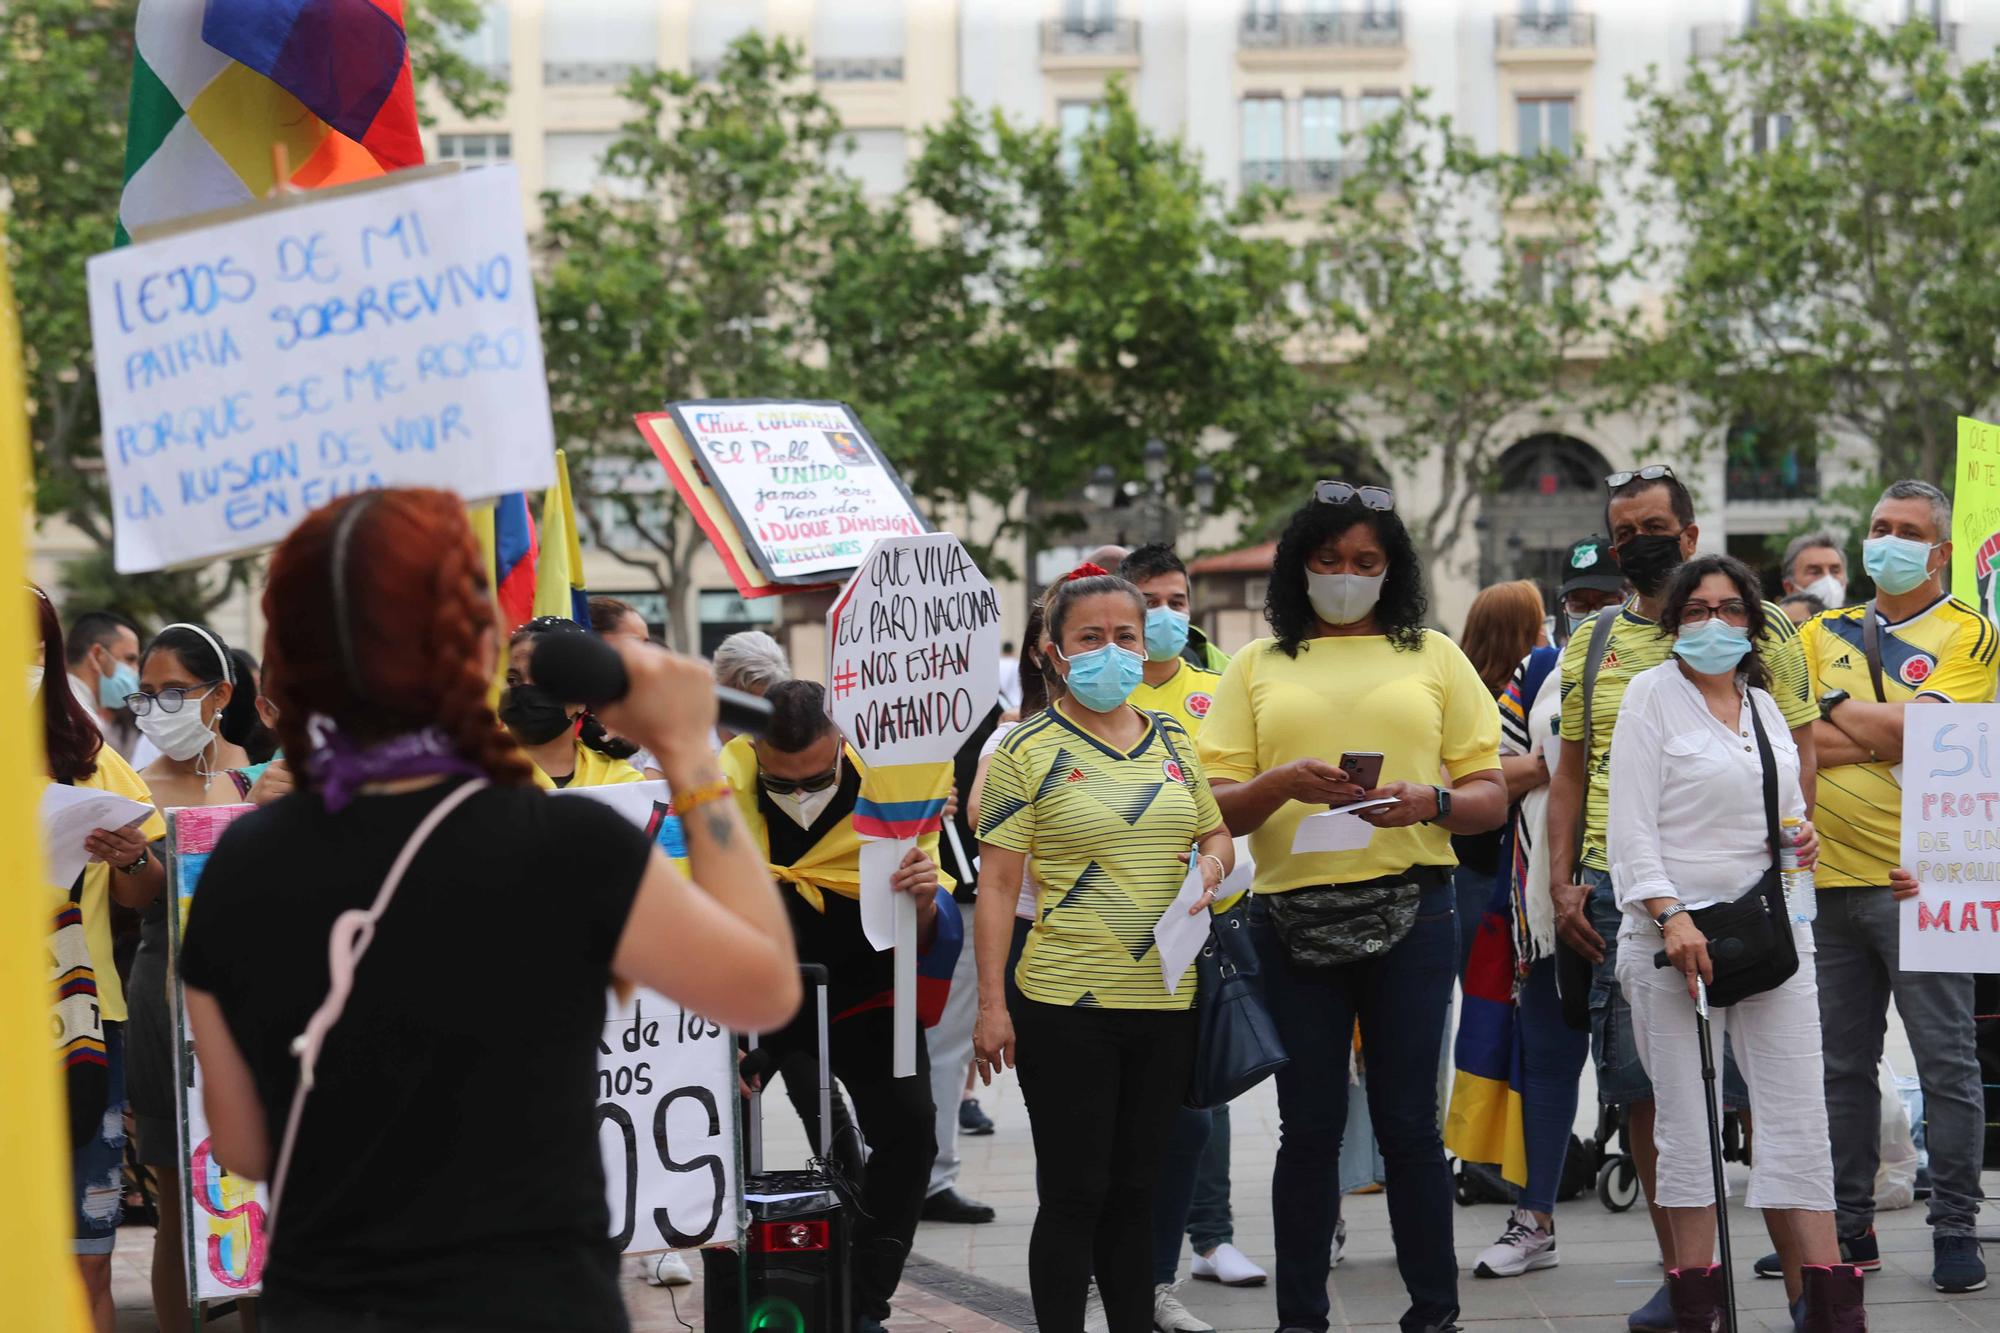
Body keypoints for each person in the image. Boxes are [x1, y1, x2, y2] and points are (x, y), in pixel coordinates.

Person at [178, 488, 800, 1333]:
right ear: (476, 650)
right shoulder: (567, 845)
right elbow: (764, 987)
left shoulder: (237, 866)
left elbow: (245, 1147)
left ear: (284, 663)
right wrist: (690, 752)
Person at [1197, 483, 1506, 1333]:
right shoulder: (1255, 665)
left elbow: (1489, 794)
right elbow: (1214, 803)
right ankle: (1300, 1318)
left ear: (1392, 569)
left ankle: (1434, 1313)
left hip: (1416, 907)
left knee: (1409, 1123)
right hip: (1288, 915)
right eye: (1328, 560)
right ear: (1299, 568)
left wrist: (1429, 802)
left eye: (1365, 562)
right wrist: (1278, 784)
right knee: (1309, 1128)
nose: (1345, 576)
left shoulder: (1435, 655)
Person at [1547, 464, 1819, 1332]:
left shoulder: (1765, 661)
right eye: (1624, 532)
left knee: (1786, 1110)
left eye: (1655, 526)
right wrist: (1582, 890)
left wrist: (1794, 844)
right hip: (1643, 913)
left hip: (1762, 917)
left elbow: (1794, 774)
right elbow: (1585, 787)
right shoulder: (1607, 659)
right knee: (1657, 1107)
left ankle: (1816, 1297)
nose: (1640, 544)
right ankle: (1691, 1289)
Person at [972, 564, 1233, 1333]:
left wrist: (1213, 863)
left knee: (1137, 1191)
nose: (1112, 650)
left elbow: (1212, 827)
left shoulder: (1175, 739)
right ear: (1053, 651)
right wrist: (992, 1006)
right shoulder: (1023, 749)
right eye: (1091, 637)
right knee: (1076, 1190)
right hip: (1062, 1003)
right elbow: (995, 887)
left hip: (1167, 999)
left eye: (1125, 634)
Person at [1607, 554, 1863, 1328]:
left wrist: (1803, 838)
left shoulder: (1763, 706)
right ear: (1673, 621)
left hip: (1774, 935)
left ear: (1753, 623)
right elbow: (1630, 828)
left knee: (1797, 1119)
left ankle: (1827, 1309)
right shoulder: (1652, 697)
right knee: (1687, 1127)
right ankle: (1699, 1307)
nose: (1713, 624)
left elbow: (1782, 815)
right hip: (1673, 942)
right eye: (1696, 610)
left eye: (1728, 609)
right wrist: (1670, 914)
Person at [1778, 479, 1997, 1294]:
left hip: (1926, 880)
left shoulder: (1969, 633)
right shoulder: (1818, 630)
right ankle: (1846, 1228)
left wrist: (1838, 708)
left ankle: (1954, 1228)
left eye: (1907, 530)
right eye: (1879, 526)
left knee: (1947, 1062)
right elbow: (1794, 740)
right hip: (1823, 877)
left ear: (1939, 551)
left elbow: (1940, 736)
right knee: (1838, 1066)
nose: (1888, 540)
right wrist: (1886, 734)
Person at [716, 680, 953, 1333]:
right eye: (780, 781)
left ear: (845, 741)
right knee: (718, 1140)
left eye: (814, 778)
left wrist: (926, 896)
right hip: (755, 999)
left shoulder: (892, 790)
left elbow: (926, 931)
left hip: (866, 996)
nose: (797, 793)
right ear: (754, 749)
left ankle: (862, 1300)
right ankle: (734, 1293)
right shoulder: (719, 787)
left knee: (910, 1130)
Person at [1113, 543, 1264, 1326]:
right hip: (1112, 926)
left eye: (1178, 599)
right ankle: (1123, 1265)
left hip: (1208, 913)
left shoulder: (1221, 686)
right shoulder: (1090, 693)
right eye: (1152, 600)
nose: (1167, 614)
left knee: (1206, 1085)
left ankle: (1211, 1234)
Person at [33, 586, 169, 1333]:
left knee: (85, 1253)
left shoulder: (90, 759)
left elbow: (144, 892)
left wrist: (129, 858)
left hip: (84, 1027)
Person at [1452, 568, 1595, 1281]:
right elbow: (1488, 771)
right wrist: (1541, 766)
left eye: (1611, 597)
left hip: (1652, 903)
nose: (1596, 612)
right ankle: (1533, 1218)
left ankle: (1686, 1251)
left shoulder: (1677, 662)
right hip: (1543, 905)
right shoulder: (1541, 669)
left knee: (1649, 1083)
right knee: (1544, 1064)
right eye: (1582, 601)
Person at [125, 622, 261, 1333]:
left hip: (257, 1004)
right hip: (162, 999)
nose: (156, 705)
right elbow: (136, 899)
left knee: (260, 1198)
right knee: (179, 1203)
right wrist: (128, 857)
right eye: (146, 694)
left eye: (173, 690)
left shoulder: (268, 777)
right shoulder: (134, 785)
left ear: (221, 695)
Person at [921, 701, 1003, 1227]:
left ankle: (933, 1175)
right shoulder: (878, 708)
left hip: (966, 895)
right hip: (900, 891)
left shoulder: (988, 714)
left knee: (947, 1046)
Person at [1454, 580, 1548, 976]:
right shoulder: (1486, 704)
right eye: (1539, 624)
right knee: (1492, 1002)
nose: (1547, 633)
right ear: (1519, 632)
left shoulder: (1464, 693)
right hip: (1488, 871)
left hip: (1474, 866)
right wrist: (1542, 765)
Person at [503, 616, 645, 789]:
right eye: (513, 680)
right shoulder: (476, 772)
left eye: (543, 679)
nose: (525, 690)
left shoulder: (623, 783)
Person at [64, 608, 149, 761]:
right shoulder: (82, 724)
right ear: (98, 655)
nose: (136, 671)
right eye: (130, 659)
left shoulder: (57, 702)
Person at [712, 628, 793, 745]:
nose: (750, 712)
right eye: (744, 699)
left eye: (761, 704)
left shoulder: (783, 746)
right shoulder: (691, 739)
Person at [1555, 535, 1628, 644]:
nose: (1592, 617)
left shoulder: (1655, 658)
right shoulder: (1542, 661)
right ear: (1565, 607)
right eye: (1580, 605)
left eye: (1606, 604)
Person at [1781, 530, 1848, 610]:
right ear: (1790, 588)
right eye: (1815, 572)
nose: (1828, 579)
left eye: (1835, 571)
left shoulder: (1863, 621)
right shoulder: (1773, 622)